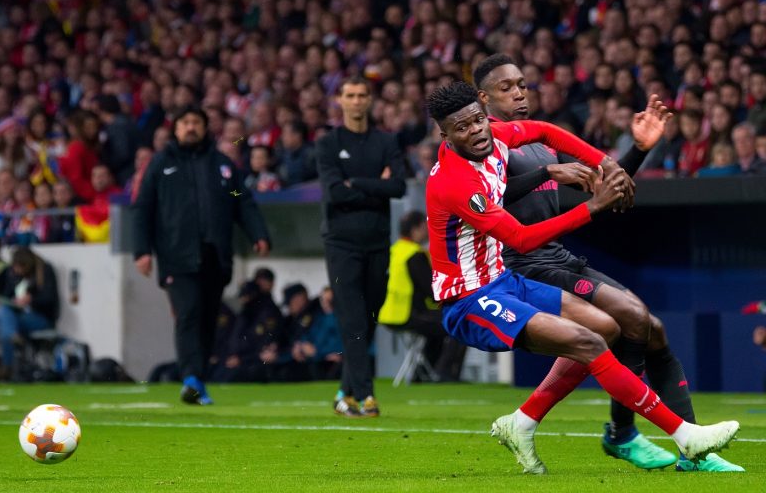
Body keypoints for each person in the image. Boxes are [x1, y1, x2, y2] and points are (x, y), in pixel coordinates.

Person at [424, 81, 739, 475]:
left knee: (606, 327)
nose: (475, 131)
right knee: (588, 342)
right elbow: (520, 238)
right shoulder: (455, 183)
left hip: (503, 280)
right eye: (462, 127)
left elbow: (545, 131)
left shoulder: (497, 134)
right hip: (469, 299)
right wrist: (593, 206)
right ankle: (685, 436)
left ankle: (522, 423)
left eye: (477, 121)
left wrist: (606, 162)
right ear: (446, 135)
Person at [132, 105, 271, 405]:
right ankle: (191, 378)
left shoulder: (222, 165)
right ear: (176, 128)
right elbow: (142, 208)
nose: (191, 127)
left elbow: (242, 201)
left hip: (214, 255)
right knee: (189, 312)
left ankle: (198, 379)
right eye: (185, 122)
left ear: (205, 127)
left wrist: (258, 233)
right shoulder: (160, 165)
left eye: (196, 122)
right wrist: (141, 250)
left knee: (208, 318)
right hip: (176, 256)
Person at [315, 76, 406, 417]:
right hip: (341, 243)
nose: (355, 101)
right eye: (349, 95)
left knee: (369, 317)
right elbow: (334, 192)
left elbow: (398, 187)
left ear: (369, 100)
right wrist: (375, 186)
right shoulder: (328, 143)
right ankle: (367, 396)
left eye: (361, 95)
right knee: (353, 318)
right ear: (339, 100)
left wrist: (356, 183)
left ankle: (344, 392)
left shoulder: (386, 141)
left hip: (377, 241)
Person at [378, 210, 466, 382]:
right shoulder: (414, 254)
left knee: (438, 324)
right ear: (416, 229)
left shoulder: (394, 251)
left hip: (390, 314)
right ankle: (445, 373)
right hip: (409, 313)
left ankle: (423, 374)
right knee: (460, 320)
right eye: (425, 227)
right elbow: (431, 289)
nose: (427, 231)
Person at [0, 247, 59, 380]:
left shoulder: (44, 271)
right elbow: (5, 296)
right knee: (4, 313)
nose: (17, 270)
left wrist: (31, 300)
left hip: (40, 318)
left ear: (26, 265)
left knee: (4, 323)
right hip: (16, 317)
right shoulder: (12, 274)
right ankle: (13, 337)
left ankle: (7, 366)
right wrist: (13, 299)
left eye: (19, 267)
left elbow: (50, 299)